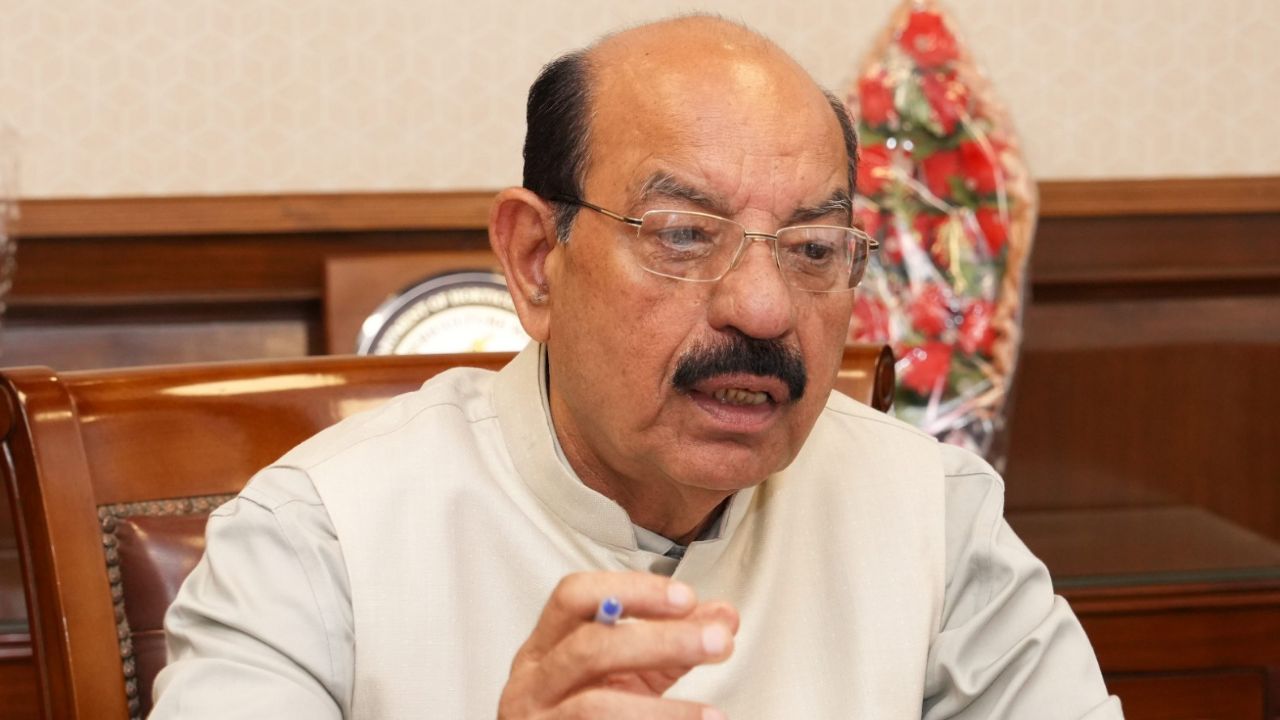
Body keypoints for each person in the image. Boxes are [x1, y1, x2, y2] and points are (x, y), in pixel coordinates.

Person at [153, 15, 1122, 719]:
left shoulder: (928, 510)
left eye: (812, 248)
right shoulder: (320, 537)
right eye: (683, 234)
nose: (762, 309)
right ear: (537, 259)